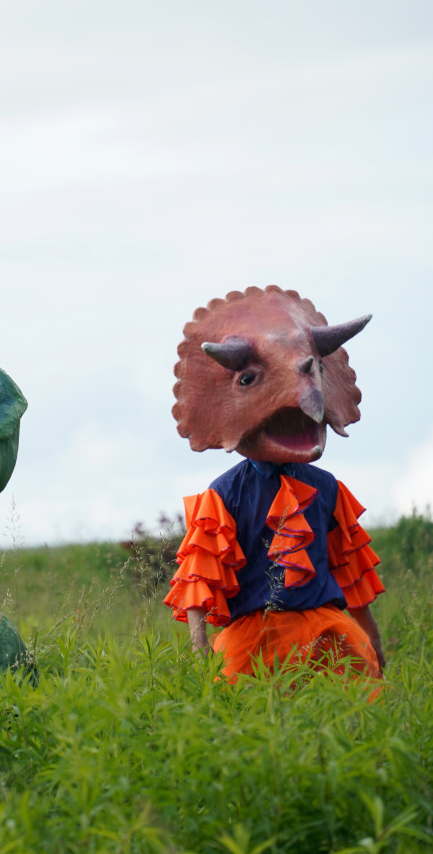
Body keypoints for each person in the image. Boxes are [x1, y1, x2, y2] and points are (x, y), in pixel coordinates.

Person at [164, 286, 384, 683]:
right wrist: (199, 647)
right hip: (253, 641)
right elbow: (199, 575)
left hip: (325, 634)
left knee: (349, 708)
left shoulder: (328, 489)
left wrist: (373, 641)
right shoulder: (222, 495)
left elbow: (350, 572)